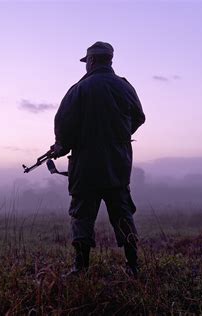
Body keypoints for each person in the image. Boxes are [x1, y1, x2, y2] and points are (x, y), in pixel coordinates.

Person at [50, 41, 146, 277]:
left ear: (91, 61)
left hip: (86, 168)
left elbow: (63, 126)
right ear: (110, 60)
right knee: (123, 214)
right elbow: (139, 118)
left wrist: (62, 146)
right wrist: (119, 136)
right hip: (118, 165)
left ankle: (80, 268)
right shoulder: (125, 87)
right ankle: (133, 266)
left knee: (82, 216)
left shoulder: (78, 90)